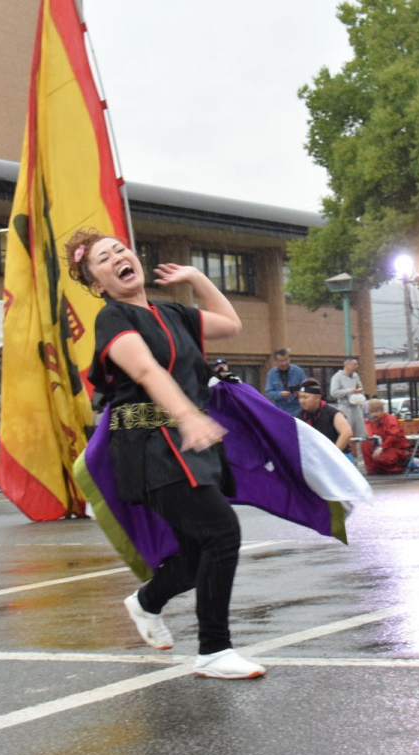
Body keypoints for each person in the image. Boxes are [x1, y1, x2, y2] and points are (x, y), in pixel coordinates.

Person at [70, 226, 265, 680]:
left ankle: (146, 601)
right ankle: (214, 650)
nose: (119, 256)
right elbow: (145, 368)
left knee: (200, 555)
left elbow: (231, 325)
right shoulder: (113, 317)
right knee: (221, 533)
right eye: (103, 258)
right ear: (98, 284)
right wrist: (186, 414)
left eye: (120, 249)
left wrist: (198, 278)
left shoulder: (173, 312)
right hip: (150, 448)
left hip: (189, 444)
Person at [296, 379, 353, 452]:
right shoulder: (300, 417)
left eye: (306, 397)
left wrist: (333, 454)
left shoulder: (332, 413)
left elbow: (346, 432)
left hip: (338, 456)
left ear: (317, 398)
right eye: (300, 397)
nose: (302, 401)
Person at [362, 398, 410, 474]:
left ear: (381, 410)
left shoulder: (390, 419)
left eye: (376, 411)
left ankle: (396, 468)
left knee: (383, 458)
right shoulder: (373, 422)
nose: (374, 415)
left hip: (396, 448)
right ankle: (372, 470)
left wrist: (381, 448)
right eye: (371, 412)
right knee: (365, 444)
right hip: (383, 447)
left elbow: (393, 436)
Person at [329, 356, 365, 456]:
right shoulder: (337, 377)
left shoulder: (355, 376)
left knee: (361, 433)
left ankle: (362, 456)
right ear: (346, 364)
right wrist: (349, 391)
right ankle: (345, 455)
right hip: (345, 407)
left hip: (356, 406)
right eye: (354, 364)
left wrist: (359, 391)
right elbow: (333, 392)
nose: (355, 367)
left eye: (356, 364)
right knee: (345, 432)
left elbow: (360, 386)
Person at [264, 348, 307, 415]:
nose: (284, 363)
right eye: (281, 361)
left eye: (286, 360)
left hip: (298, 409)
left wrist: (300, 393)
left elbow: (307, 387)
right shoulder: (271, 374)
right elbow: (268, 392)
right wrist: (280, 394)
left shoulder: (298, 371)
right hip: (280, 410)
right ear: (275, 361)